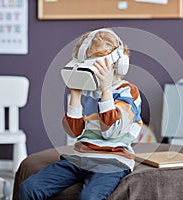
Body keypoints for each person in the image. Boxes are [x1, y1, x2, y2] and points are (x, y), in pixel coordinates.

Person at [19, 28, 143, 200]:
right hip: (81, 157)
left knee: (88, 197)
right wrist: (75, 95)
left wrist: (105, 90)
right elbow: (74, 132)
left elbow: (110, 132)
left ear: (119, 64)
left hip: (113, 161)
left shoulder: (128, 92)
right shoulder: (87, 93)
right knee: (29, 187)